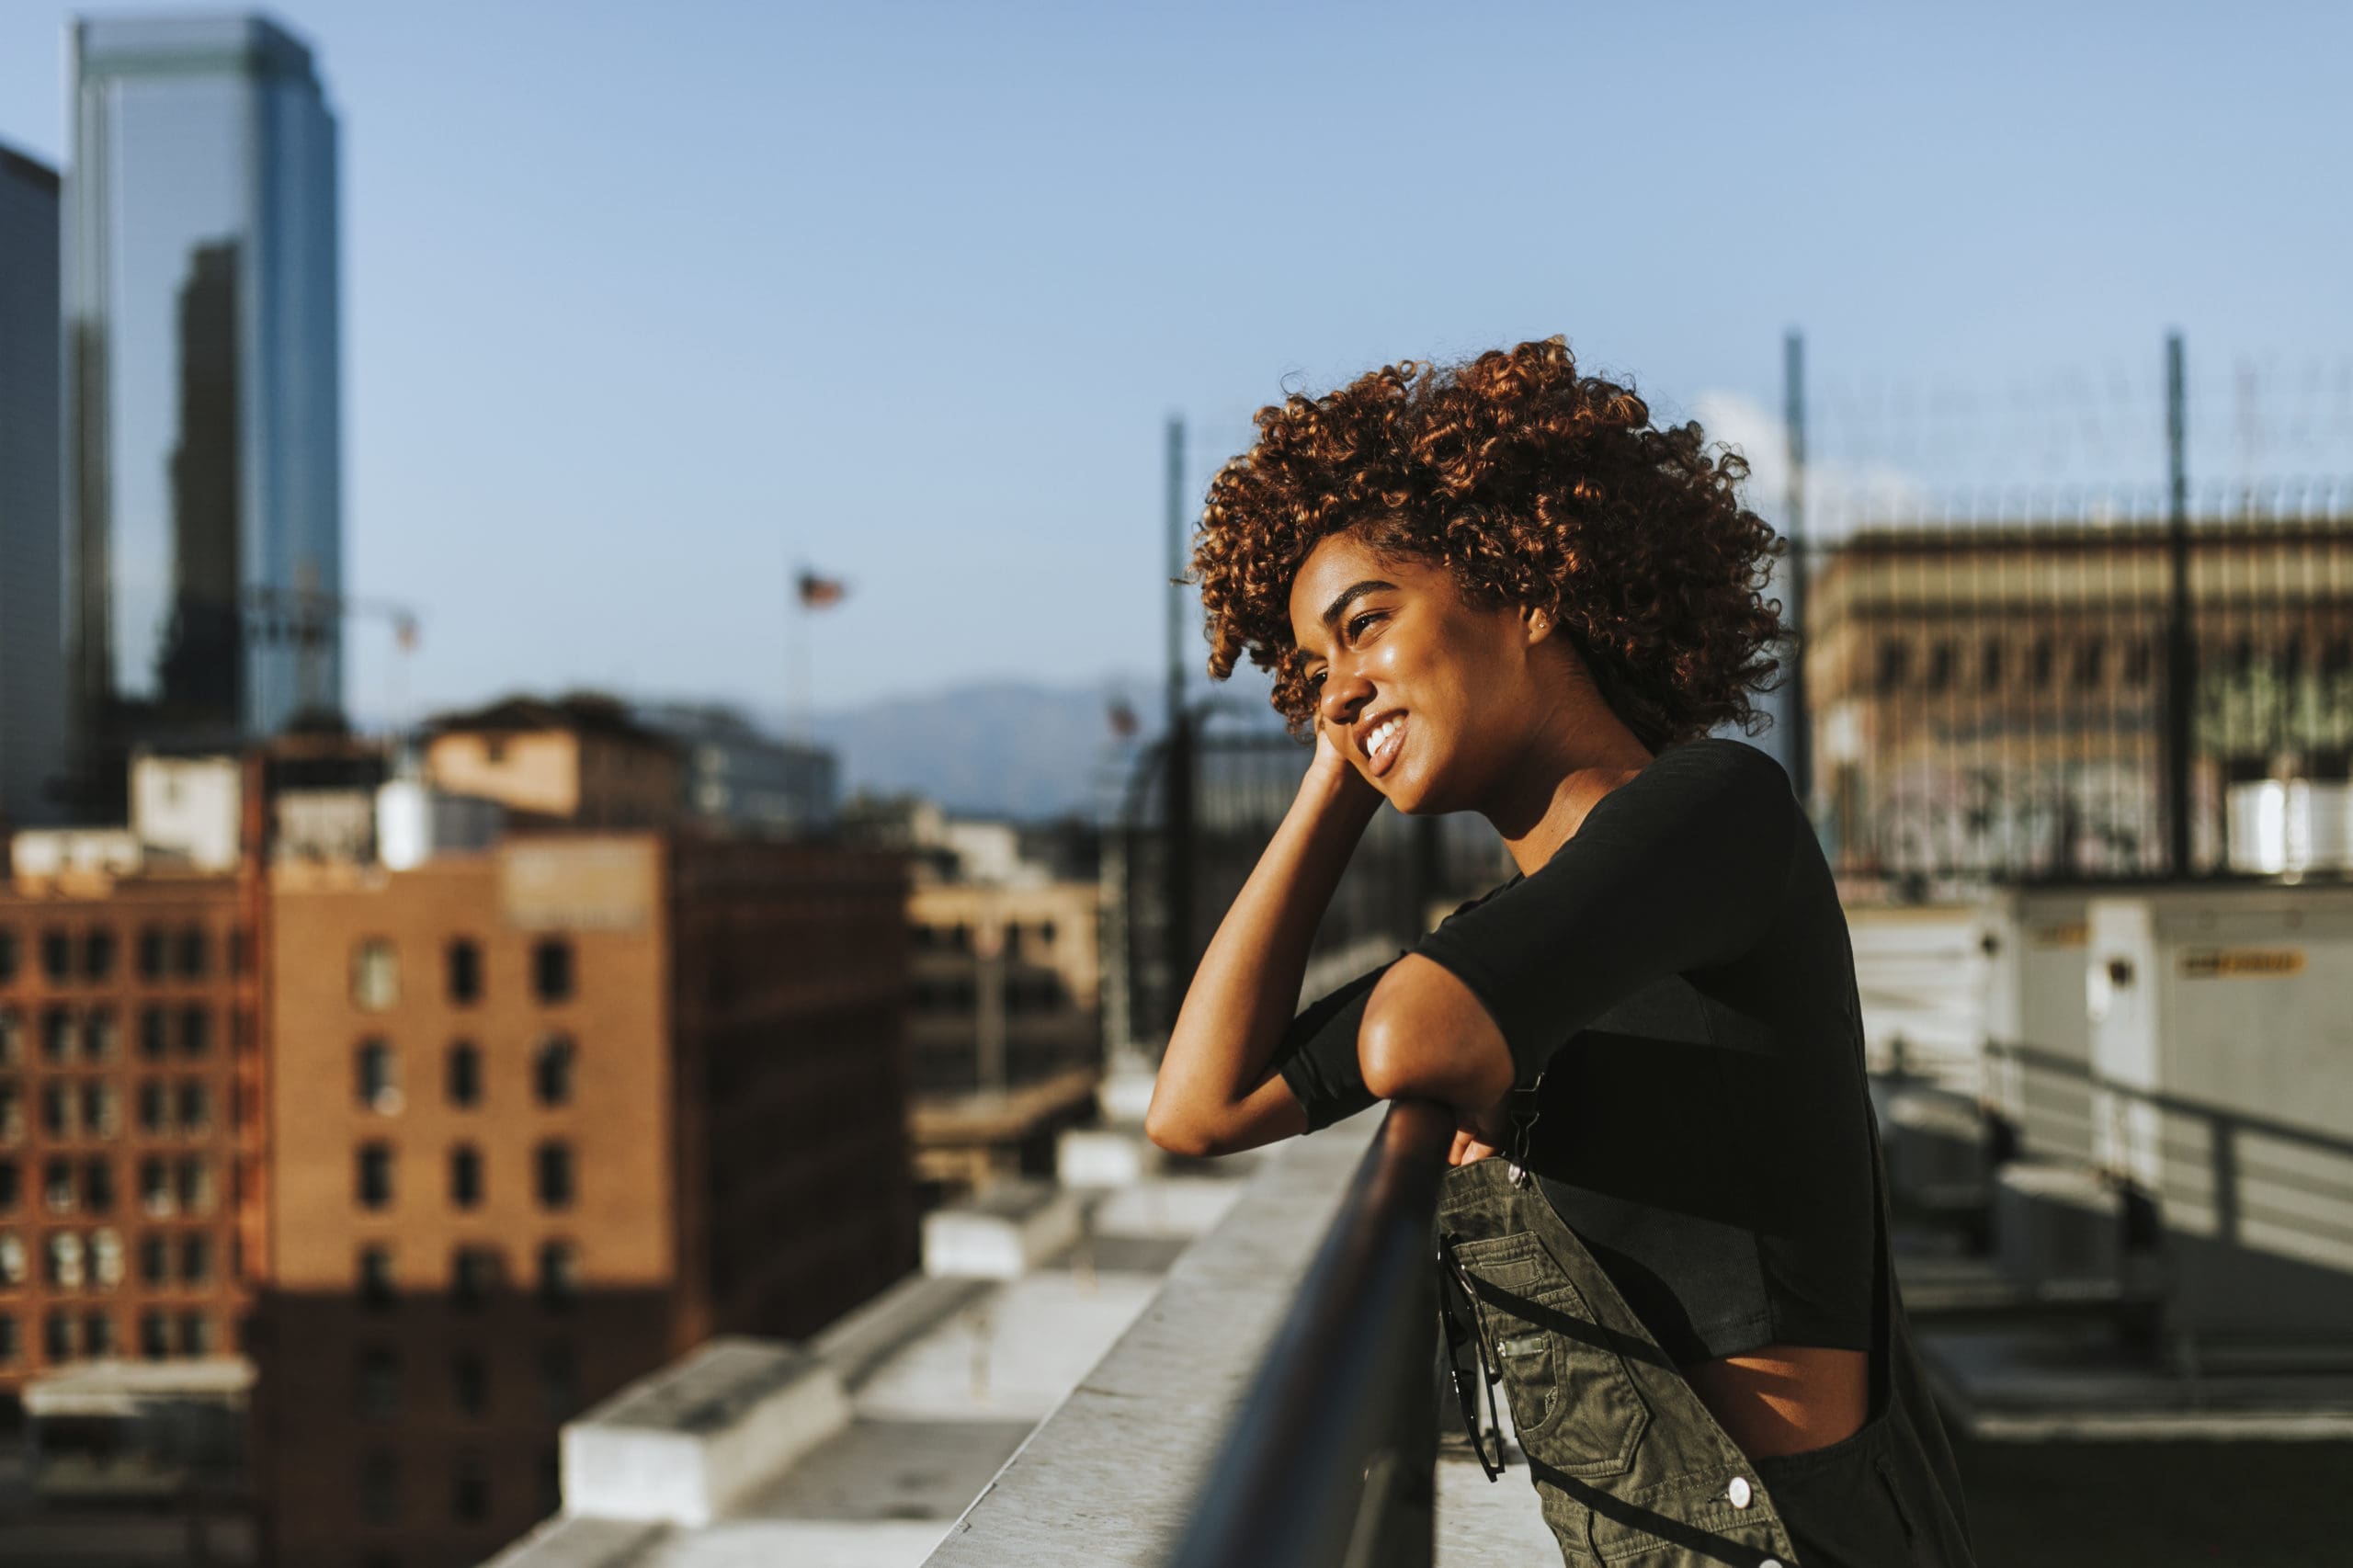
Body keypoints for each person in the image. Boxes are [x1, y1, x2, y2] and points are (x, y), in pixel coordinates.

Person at [1145, 337, 1974, 1567]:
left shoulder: (1718, 811)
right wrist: (1337, 767)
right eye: (1310, 670)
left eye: (1364, 626)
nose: (1331, 691)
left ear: (1523, 585)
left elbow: (1413, 1032)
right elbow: (1198, 1104)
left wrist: (1362, 731)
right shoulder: (1523, 943)